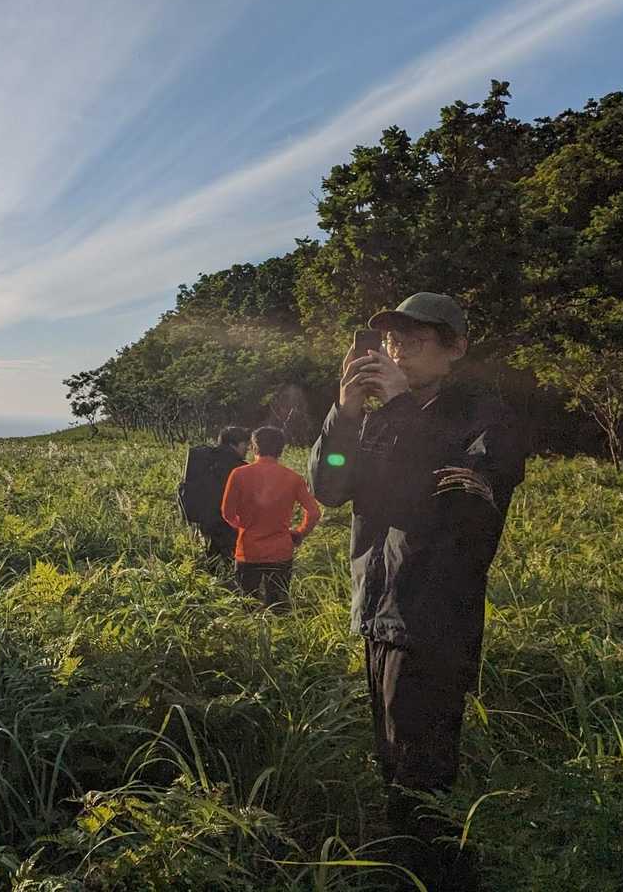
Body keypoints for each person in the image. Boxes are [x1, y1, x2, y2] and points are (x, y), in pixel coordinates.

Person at [308, 292, 526, 891]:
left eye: (415, 339)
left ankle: (429, 875)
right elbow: (328, 487)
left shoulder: (485, 419)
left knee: (423, 775)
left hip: (434, 618)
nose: (397, 350)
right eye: (391, 339)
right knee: (392, 761)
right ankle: (406, 867)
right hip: (378, 611)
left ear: (455, 349)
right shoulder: (375, 419)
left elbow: (462, 506)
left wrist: (401, 406)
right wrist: (344, 413)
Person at [220, 425, 320, 611]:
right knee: (279, 607)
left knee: (247, 608)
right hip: (280, 551)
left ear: (254, 447)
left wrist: (243, 527)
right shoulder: (293, 478)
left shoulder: (238, 474)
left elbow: (227, 513)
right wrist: (299, 533)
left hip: (248, 551)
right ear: (281, 449)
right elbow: (314, 512)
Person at [178, 426, 249, 570]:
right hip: (228, 525)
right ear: (233, 444)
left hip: (204, 521)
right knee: (231, 564)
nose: (247, 448)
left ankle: (211, 579)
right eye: (244, 444)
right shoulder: (240, 467)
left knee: (211, 560)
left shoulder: (205, 460)